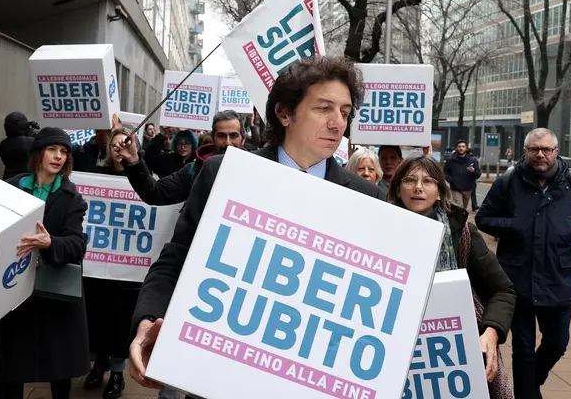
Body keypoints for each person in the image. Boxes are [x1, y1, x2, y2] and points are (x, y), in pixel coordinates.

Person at [128, 56, 383, 391]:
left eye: (345, 112)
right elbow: (177, 259)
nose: (338, 124)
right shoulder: (224, 173)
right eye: (324, 108)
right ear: (284, 113)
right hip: (220, 376)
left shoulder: (367, 197)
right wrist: (149, 320)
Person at [476, 128, 571, 399]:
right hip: (518, 277)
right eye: (534, 149)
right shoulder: (509, 181)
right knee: (522, 349)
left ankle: (531, 384)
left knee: (557, 343)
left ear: (556, 152)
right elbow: (484, 218)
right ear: (526, 151)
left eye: (546, 149)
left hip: (557, 277)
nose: (540, 154)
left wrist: (568, 228)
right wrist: (513, 226)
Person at [388, 156, 516, 397]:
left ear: (439, 192)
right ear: (397, 189)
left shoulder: (462, 232)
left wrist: (492, 332)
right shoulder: (377, 232)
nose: (418, 187)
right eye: (410, 180)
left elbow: (502, 291)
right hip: (395, 350)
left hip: (450, 351)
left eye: (428, 181)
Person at [0, 127, 90, 399]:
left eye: (63, 152)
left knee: (58, 370)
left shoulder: (72, 198)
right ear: (38, 153)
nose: (58, 156)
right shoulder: (11, 188)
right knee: (11, 368)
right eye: (52, 149)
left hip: (54, 294)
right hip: (14, 290)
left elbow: (77, 245)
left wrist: (51, 243)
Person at [82, 128, 141, 398]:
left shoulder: (144, 177)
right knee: (96, 318)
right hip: (97, 269)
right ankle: (98, 365)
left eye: (125, 144)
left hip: (127, 273)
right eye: (115, 145)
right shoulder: (95, 175)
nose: (120, 149)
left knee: (119, 324)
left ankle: (117, 374)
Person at [115, 110, 248, 206]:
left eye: (234, 136)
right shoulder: (194, 170)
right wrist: (133, 160)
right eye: (221, 136)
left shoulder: (255, 172)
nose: (227, 142)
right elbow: (155, 193)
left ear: (243, 139)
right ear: (213, 138)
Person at [0, 111, 39, 180]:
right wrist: (30, 131)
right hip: (25, 180)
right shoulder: (28, 142)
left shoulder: (3, 143)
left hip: (8, 178)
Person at [444, 140, 481, 211]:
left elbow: (478, 174)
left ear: (466, 148)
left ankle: (459, 218)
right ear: (456, 148)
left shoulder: (472, 160)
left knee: (463, 209)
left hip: (467, 189)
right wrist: (451, 180)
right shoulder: (451, 160)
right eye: (459, 147)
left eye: (463, 147)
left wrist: (473, 171)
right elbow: (445, 172)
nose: (461, 148)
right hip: (455, 188)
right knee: (459, 207)